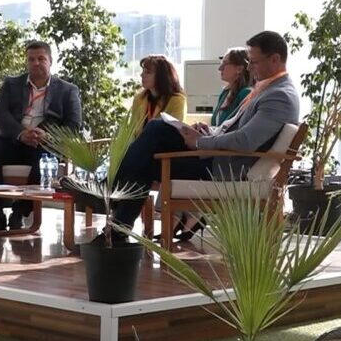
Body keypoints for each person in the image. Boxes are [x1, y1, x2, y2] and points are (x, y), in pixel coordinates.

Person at [107, 30, 300, 241]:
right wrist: (208, 131)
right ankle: (117, 228)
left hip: (225, 167)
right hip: (219, 158)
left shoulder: (279, 96)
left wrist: (200, 142)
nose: (249, 67)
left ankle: (115, 206)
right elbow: (235, 129)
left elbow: (246, 141)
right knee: (156, 134)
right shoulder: (268, 89)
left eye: (253, 62)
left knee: (153, 140)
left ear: (275, 59)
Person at [0, 40, 83, 231]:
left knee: (44, 159)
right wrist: (20, 133)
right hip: (14, 140)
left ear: (50, 61)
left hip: (45, 144)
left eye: (41, 59)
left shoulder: (68, 90)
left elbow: (74, 125)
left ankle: (20, 212)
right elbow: (0, 113)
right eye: (31, 59)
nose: (36, 63)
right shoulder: (11, 84)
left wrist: (47, 135)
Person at [129, 54, 187, 129]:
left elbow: (173, 131)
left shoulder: (177, 101)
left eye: (148, 72)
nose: (142, 75)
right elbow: (132, 130)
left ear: (161, 76)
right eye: (143, 71)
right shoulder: (139, 99)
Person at [210, 48, 253, 128]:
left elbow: (238, 128)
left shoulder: (246, 93)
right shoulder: (225, 92)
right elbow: (216, 125)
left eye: (224, 63)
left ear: (239, 69)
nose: (220, 68)